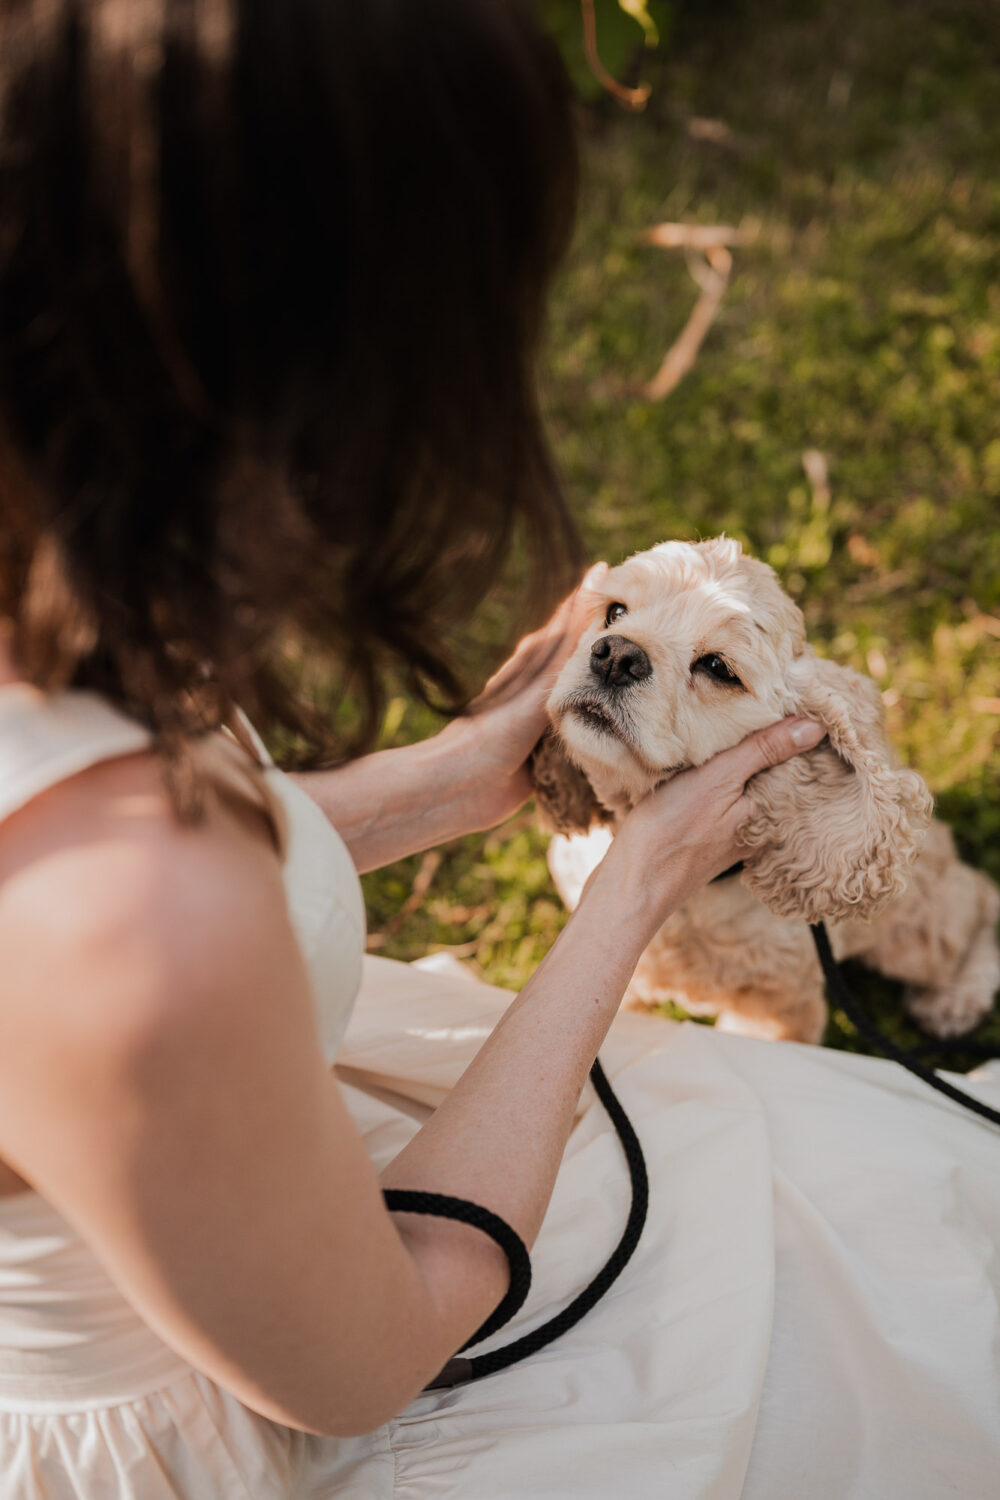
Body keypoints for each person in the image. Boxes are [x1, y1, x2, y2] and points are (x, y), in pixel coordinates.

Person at [0, 4, 997, 1499]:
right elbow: (366, 1361)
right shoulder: (142, 933)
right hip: (277, 1393)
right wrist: (634, 888)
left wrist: (445, 783)